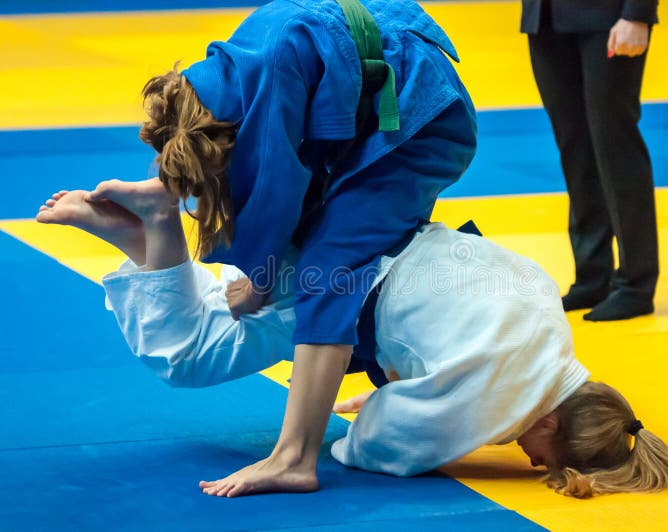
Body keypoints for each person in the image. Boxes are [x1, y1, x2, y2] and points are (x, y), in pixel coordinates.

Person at [36, 184, 668, 499]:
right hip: (340, 284)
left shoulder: (550, 329)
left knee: (221, 317)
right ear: (551, 420)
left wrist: (416, 387)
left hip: (360, 232)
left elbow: (454, 328)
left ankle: (141, 241)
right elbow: (374, 448)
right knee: (189, 358)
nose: (524, 455)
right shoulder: (508, 399)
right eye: (543, 454)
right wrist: (412, 417)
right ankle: (156, 228)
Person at [69, 0, 477, 496]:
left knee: (328, 270)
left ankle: (294, 457)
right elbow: (270, 192)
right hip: (382, 108)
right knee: (299, 258)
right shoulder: (229, 76)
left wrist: (257, 282)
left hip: (419, 123)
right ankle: (155, 231)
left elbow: (274, 191)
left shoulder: (264, 77)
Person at [521, 0, 660, 321]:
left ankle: (635, 285)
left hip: (610, 18)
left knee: (615, 148)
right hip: (543, 19)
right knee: (575, 151)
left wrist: (637, 15)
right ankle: (592, 276)